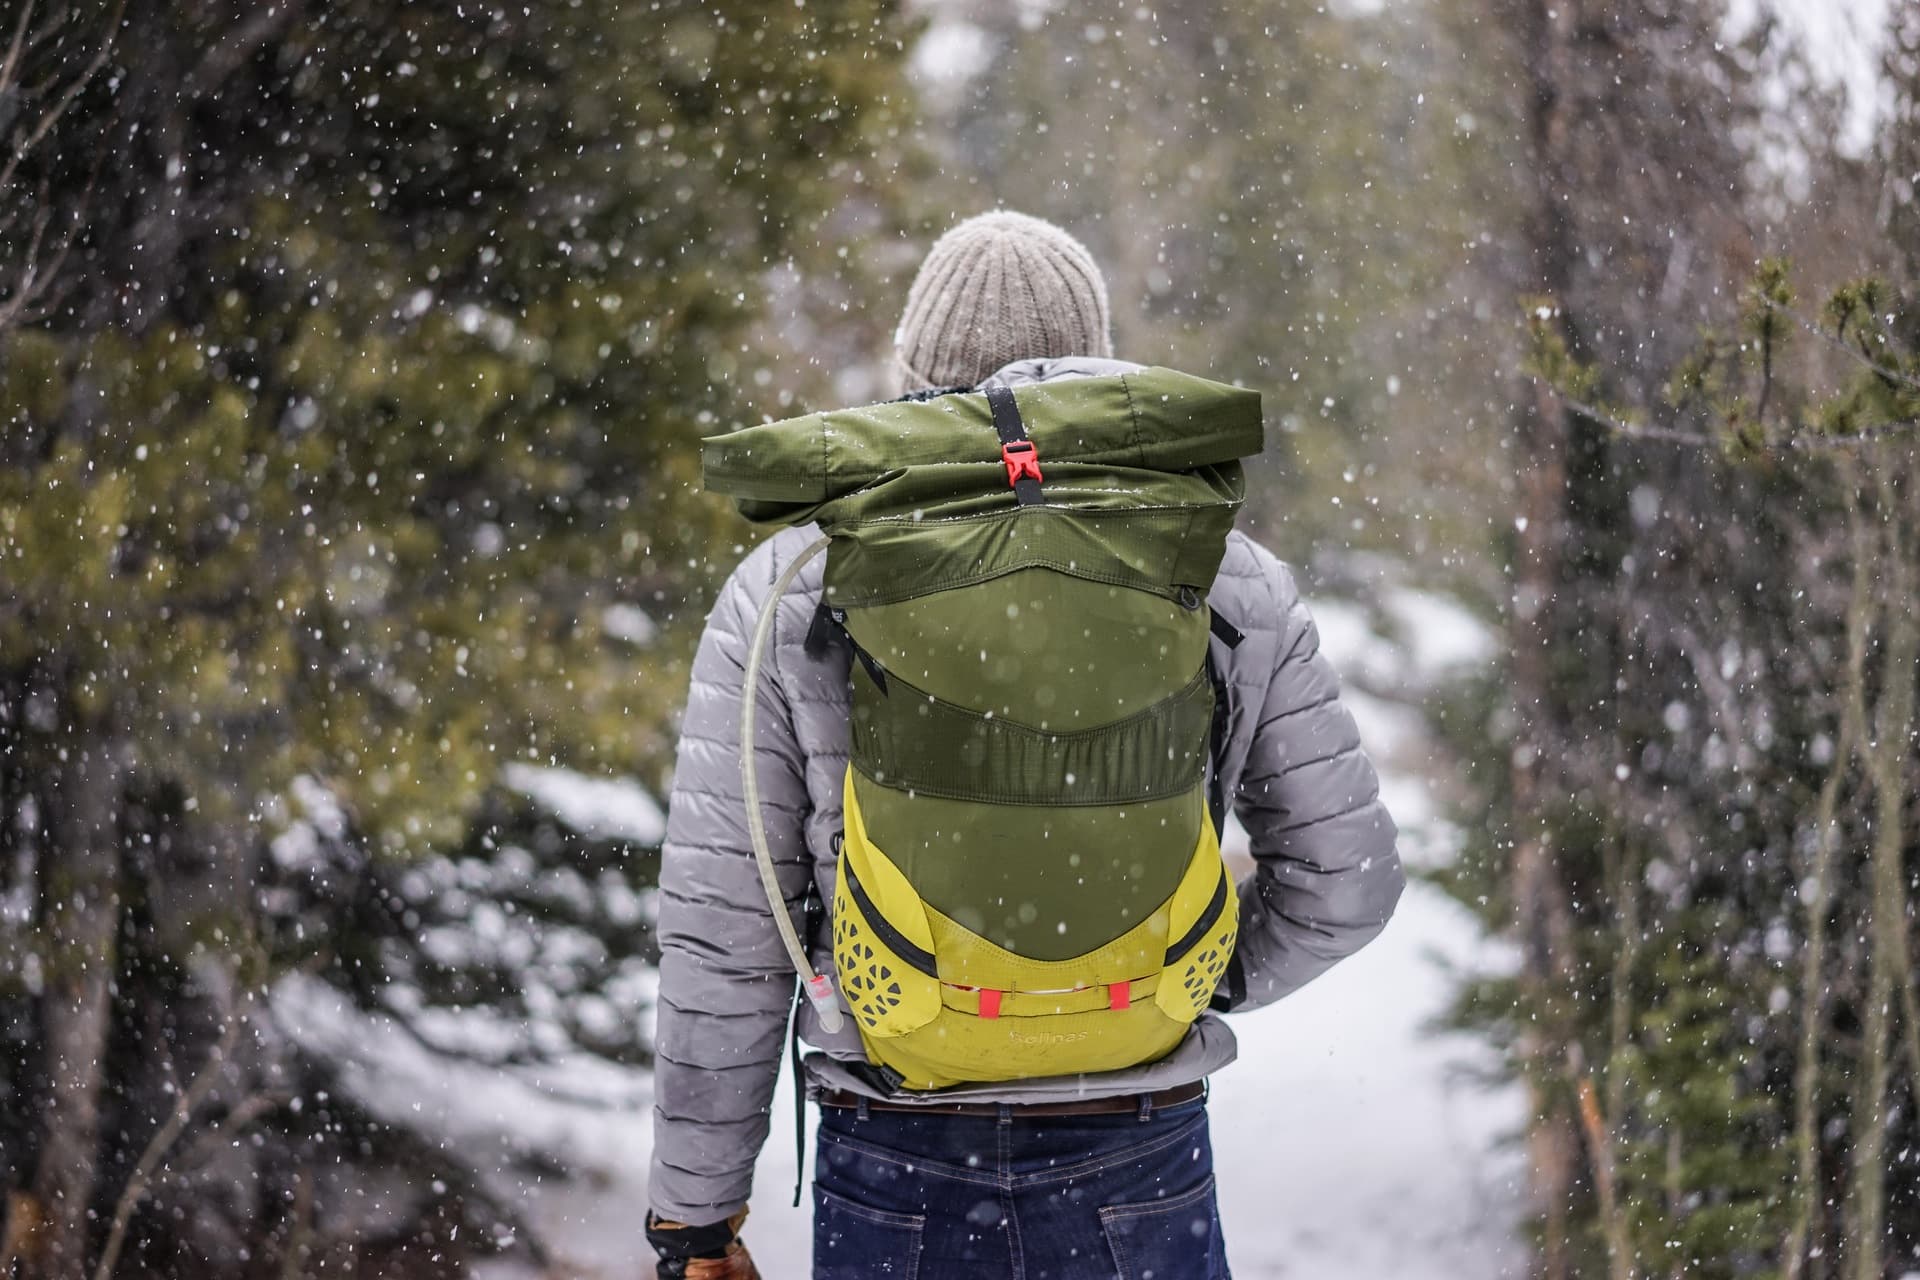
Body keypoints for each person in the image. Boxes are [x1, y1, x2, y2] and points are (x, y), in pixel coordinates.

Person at [645, 210, 1405, 1280]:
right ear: (1097, 366)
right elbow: (1349, 878)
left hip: (894, 1153)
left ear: (915, 376)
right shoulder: (1222, 570)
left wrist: (696, 1219)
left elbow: (726, 938)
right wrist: (1178, 976)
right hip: (1140, 1151)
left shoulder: (792, 583)